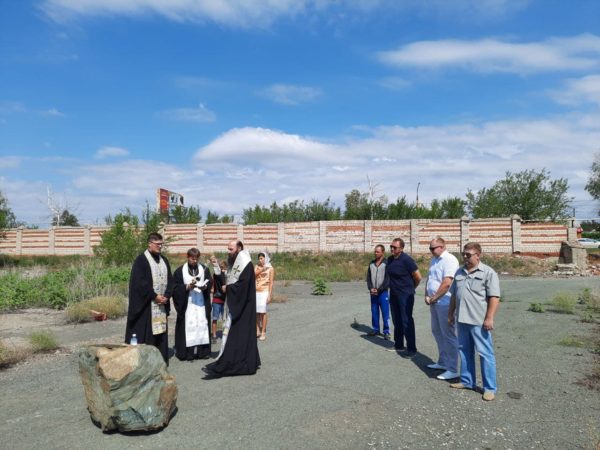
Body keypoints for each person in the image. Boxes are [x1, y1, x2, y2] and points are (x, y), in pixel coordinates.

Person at [448, 242, 501, 401]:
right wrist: (450, 314)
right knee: (464, 351)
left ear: (478, 255)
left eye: (468, 255)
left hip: (479, 321)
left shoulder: (488, 273)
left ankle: (489, 388)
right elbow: (454, 295)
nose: (465, 257)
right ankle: (467, 381)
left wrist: (489, 318)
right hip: (462, 319)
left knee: (485, 354)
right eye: (463, 254)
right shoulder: (459, 272)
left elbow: (494, 297)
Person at [203, 240, 261, 378]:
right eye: (228, 249)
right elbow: (230, 279)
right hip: (236, 305)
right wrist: (217, 269)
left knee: (239, 335)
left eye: (231, 249)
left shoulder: (245, 263)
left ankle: (238, 362)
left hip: (243, 307)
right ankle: (233, 359)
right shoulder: (236, 262)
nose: (228, 252)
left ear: (239, 248)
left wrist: (228, 288)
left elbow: (242, 286)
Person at [125, 232, 174, 364]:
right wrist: (154, 296)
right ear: (150, 244)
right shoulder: (141, 260)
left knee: (160, 334)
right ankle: (146, 363)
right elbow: (140, 283)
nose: (160, 247)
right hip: (147, 306)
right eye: (158, 244)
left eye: (161, 244)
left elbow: (170, 280)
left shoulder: (164, 260)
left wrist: (167, 296)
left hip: (161, 304)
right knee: (147, 334)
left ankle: (160, 360)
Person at [424, 237, 460, 380]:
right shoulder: (434, 260)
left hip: (445, 302)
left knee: (448, 335)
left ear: (442, 246)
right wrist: (426, 295)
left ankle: (452, 368)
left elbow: (447, 283)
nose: (431, 251)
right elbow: (430, 279)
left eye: (433, 248)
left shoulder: (449, 260)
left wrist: (434, 298)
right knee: (437, 332)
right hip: (434, 302)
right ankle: (443, 362)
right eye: (430, 248)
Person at [172, 248, 212, 361]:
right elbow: (174, 287)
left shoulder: (204, 269)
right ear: (187, 257)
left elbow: (209, 281)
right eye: (192, 258)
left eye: (196, 259)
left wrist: (205, 286)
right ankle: (187, 354)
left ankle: (202, 353)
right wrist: (186, 287)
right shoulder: (180, 271)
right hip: (188, 303)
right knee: (189, 326)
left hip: (201, 303)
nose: (195, 261)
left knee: (202, 325)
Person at [387, 238, 421, 356]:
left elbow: (418, 277)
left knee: (406, 320)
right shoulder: (390, 260)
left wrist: (411, 288)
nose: (392, 249)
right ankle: (399, 345)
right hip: (394, 294)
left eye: (394, 247)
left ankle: (412, 349)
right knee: (396, 320)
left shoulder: (407, 260)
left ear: (401, 249)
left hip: (405, 295)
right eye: (391, 246)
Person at [366, 244, 390, 339]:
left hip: (383, 293)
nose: (375, 253)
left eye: (378, 252)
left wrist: (379, 289)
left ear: (382, 252)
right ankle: (375, 329)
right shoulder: (371, 263)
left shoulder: (387, 263)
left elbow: (388, 279)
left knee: (385, 313)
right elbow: (368, 278)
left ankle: (386, 331)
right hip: (373, 293)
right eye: (375, 251)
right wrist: (370, 288)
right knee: (374, 312)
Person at [255, 252, 275, 341]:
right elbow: (253, 275)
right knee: (256, 312)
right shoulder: (257, 267)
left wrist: (269, 295)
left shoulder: (270, 268)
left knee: (263, 312)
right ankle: (257, 329)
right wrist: (262, 269)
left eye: (262, 258)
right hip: (256, 291)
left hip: (264, 291)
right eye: (259, 258)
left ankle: (263, 332)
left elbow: (271, 282)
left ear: (265, 258)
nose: (260, 260)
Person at [210, 257, 228, 345]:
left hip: (225, 301)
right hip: (217, 300)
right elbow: (217, 271)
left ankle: (225, 334)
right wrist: (215, 263)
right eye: (221, 268)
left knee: (225, 319)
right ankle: (214, 335)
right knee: (215, 318)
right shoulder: (217, 275)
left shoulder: (227, 276)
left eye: (224, 268)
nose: (223, 270)